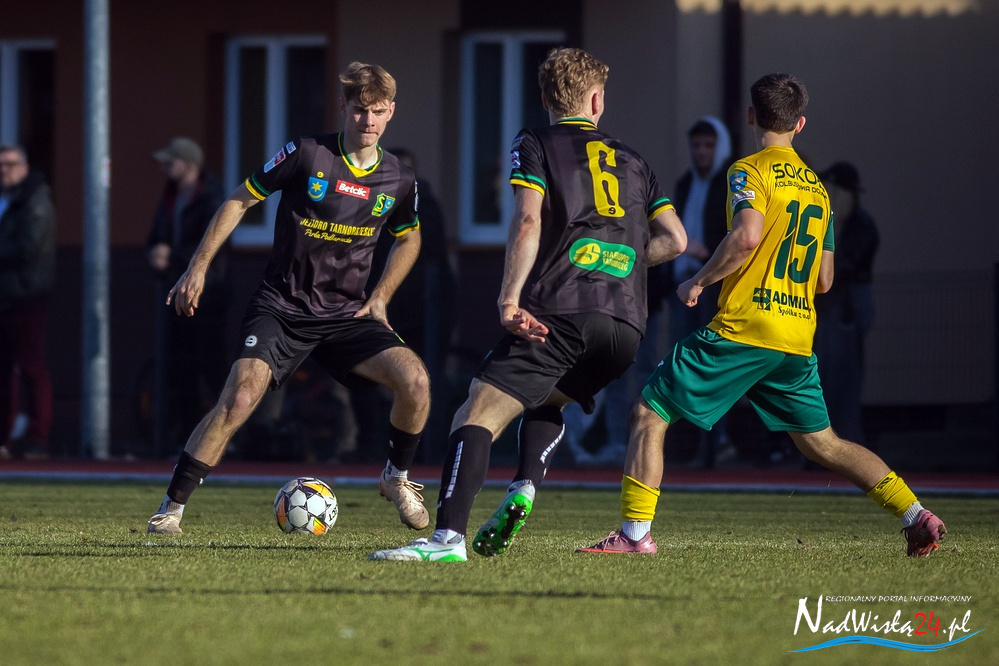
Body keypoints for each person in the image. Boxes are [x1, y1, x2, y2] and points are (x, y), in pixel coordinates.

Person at [579, 73, 946, 558]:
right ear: (800, 123)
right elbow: (824, 280)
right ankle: (915, 514)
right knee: (825, 444)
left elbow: (747, 236)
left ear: (751, 116)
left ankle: (633, 535)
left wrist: (699, 281)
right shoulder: (818, 190)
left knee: (650, 411)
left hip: (745, 328)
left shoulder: (748, 171)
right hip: (795, 337)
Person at [369, 47, 686, 562]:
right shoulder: (633, 159)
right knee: (547, 399)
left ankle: (446, 541)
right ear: (597, 101)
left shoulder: (536, 141)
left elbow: (527, 220)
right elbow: (675, 239)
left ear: (545, 99)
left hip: (562, 309)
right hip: (625, 326)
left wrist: (509, 297)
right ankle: (524, 486)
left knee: (476, 411)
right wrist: (617, 264)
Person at [147, 62, 432, 534]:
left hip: (346, 314)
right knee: (240, 398)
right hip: (281, 306)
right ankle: (171, 509)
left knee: (416, 381)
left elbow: (410, 238)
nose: (368, 121)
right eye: (359, 110)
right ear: (343, 106)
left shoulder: (398, 178)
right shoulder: (306, 153)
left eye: (378, 111)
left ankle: (396, 478)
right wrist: (197, 266)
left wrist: (381, 295)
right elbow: (239, 199)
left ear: (391, 112)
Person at [147, 137, 231, 454]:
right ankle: (189, 437)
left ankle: (226, 438)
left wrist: (172, 256)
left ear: (190, 164)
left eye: (171, 162)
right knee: (181, 368)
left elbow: (212, 245)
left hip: (209, 296)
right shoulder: (170, 196)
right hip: (176, 291)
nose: (165, 168)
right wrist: (154, 252)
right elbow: (157, 235)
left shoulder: (211, 197)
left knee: (212, 366)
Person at [813, 161, 878, 444]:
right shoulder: (836, 223)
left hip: (847, 306)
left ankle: (846, 440)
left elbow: (844, 266)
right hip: (832, 306)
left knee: (844, 376)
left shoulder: (860, 225)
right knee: (828, 374)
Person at [0, 145, 55, 460]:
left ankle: (38, 437)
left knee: (31, 366)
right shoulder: (9, 200)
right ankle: (4, 438)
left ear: (24, 166)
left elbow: (29, 247)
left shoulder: (35, 199)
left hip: (25, 295)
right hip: (6, 295)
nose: (4, 170)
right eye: (1, 164)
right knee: (4, 370)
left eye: (10, 164)